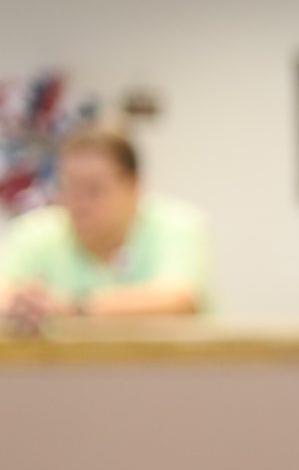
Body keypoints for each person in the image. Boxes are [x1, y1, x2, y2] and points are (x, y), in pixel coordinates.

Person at [1, 126, 208, 331]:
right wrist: (22, 305)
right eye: (69, 186)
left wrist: (73, 310)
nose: (79, 202)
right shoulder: (36, 231)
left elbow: (178, 300)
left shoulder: (175, 225)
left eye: (94, 189)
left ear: (133, 186)